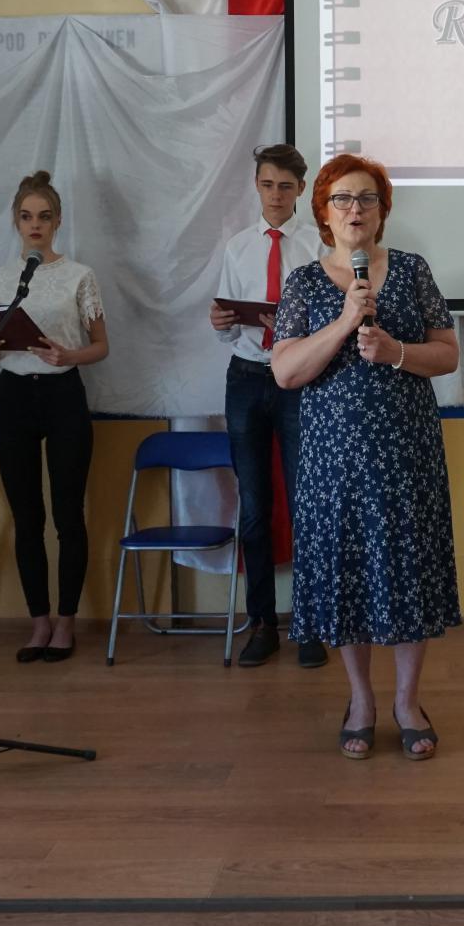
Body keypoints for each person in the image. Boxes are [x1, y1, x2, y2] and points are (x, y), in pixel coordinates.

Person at [267, 154, 461, 761]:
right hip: (335, 460)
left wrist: (397, 351)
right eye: (343, 200)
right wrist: (345, 321)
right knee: (347, 575)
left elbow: (448, 354)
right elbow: (285, 372)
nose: (356, 209)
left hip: (406, 453)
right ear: (323, 213)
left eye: (368, 199)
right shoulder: (304, 283)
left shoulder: (411, 270)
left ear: (382, 211)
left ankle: (407, 702)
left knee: (406, 572)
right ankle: (360, 701)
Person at [0, 170, 109, 663]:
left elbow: (101, 346)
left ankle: (67, 623)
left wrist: (68, 356)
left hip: (63, 395)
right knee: (26, 516)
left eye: (44, 216)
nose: (35, 224)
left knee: (67, 515)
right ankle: (39, 622)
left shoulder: (79, 276)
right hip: (13, 396)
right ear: (15, 222)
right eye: (26, 216)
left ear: (57, 222)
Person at [209, 143, 328, 670]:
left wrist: (294, 327)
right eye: (266, 185)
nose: (275, 195)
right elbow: (227, 324)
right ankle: (261, 623)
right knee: (254, 505)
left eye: (284, 186)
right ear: (256, 187)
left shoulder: (319, 246)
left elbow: (333, 322)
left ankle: (310, 624)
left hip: (300, 379)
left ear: (301, 189)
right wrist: (221, 322)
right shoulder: (238, 247)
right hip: (246, 377)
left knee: (307, 504)